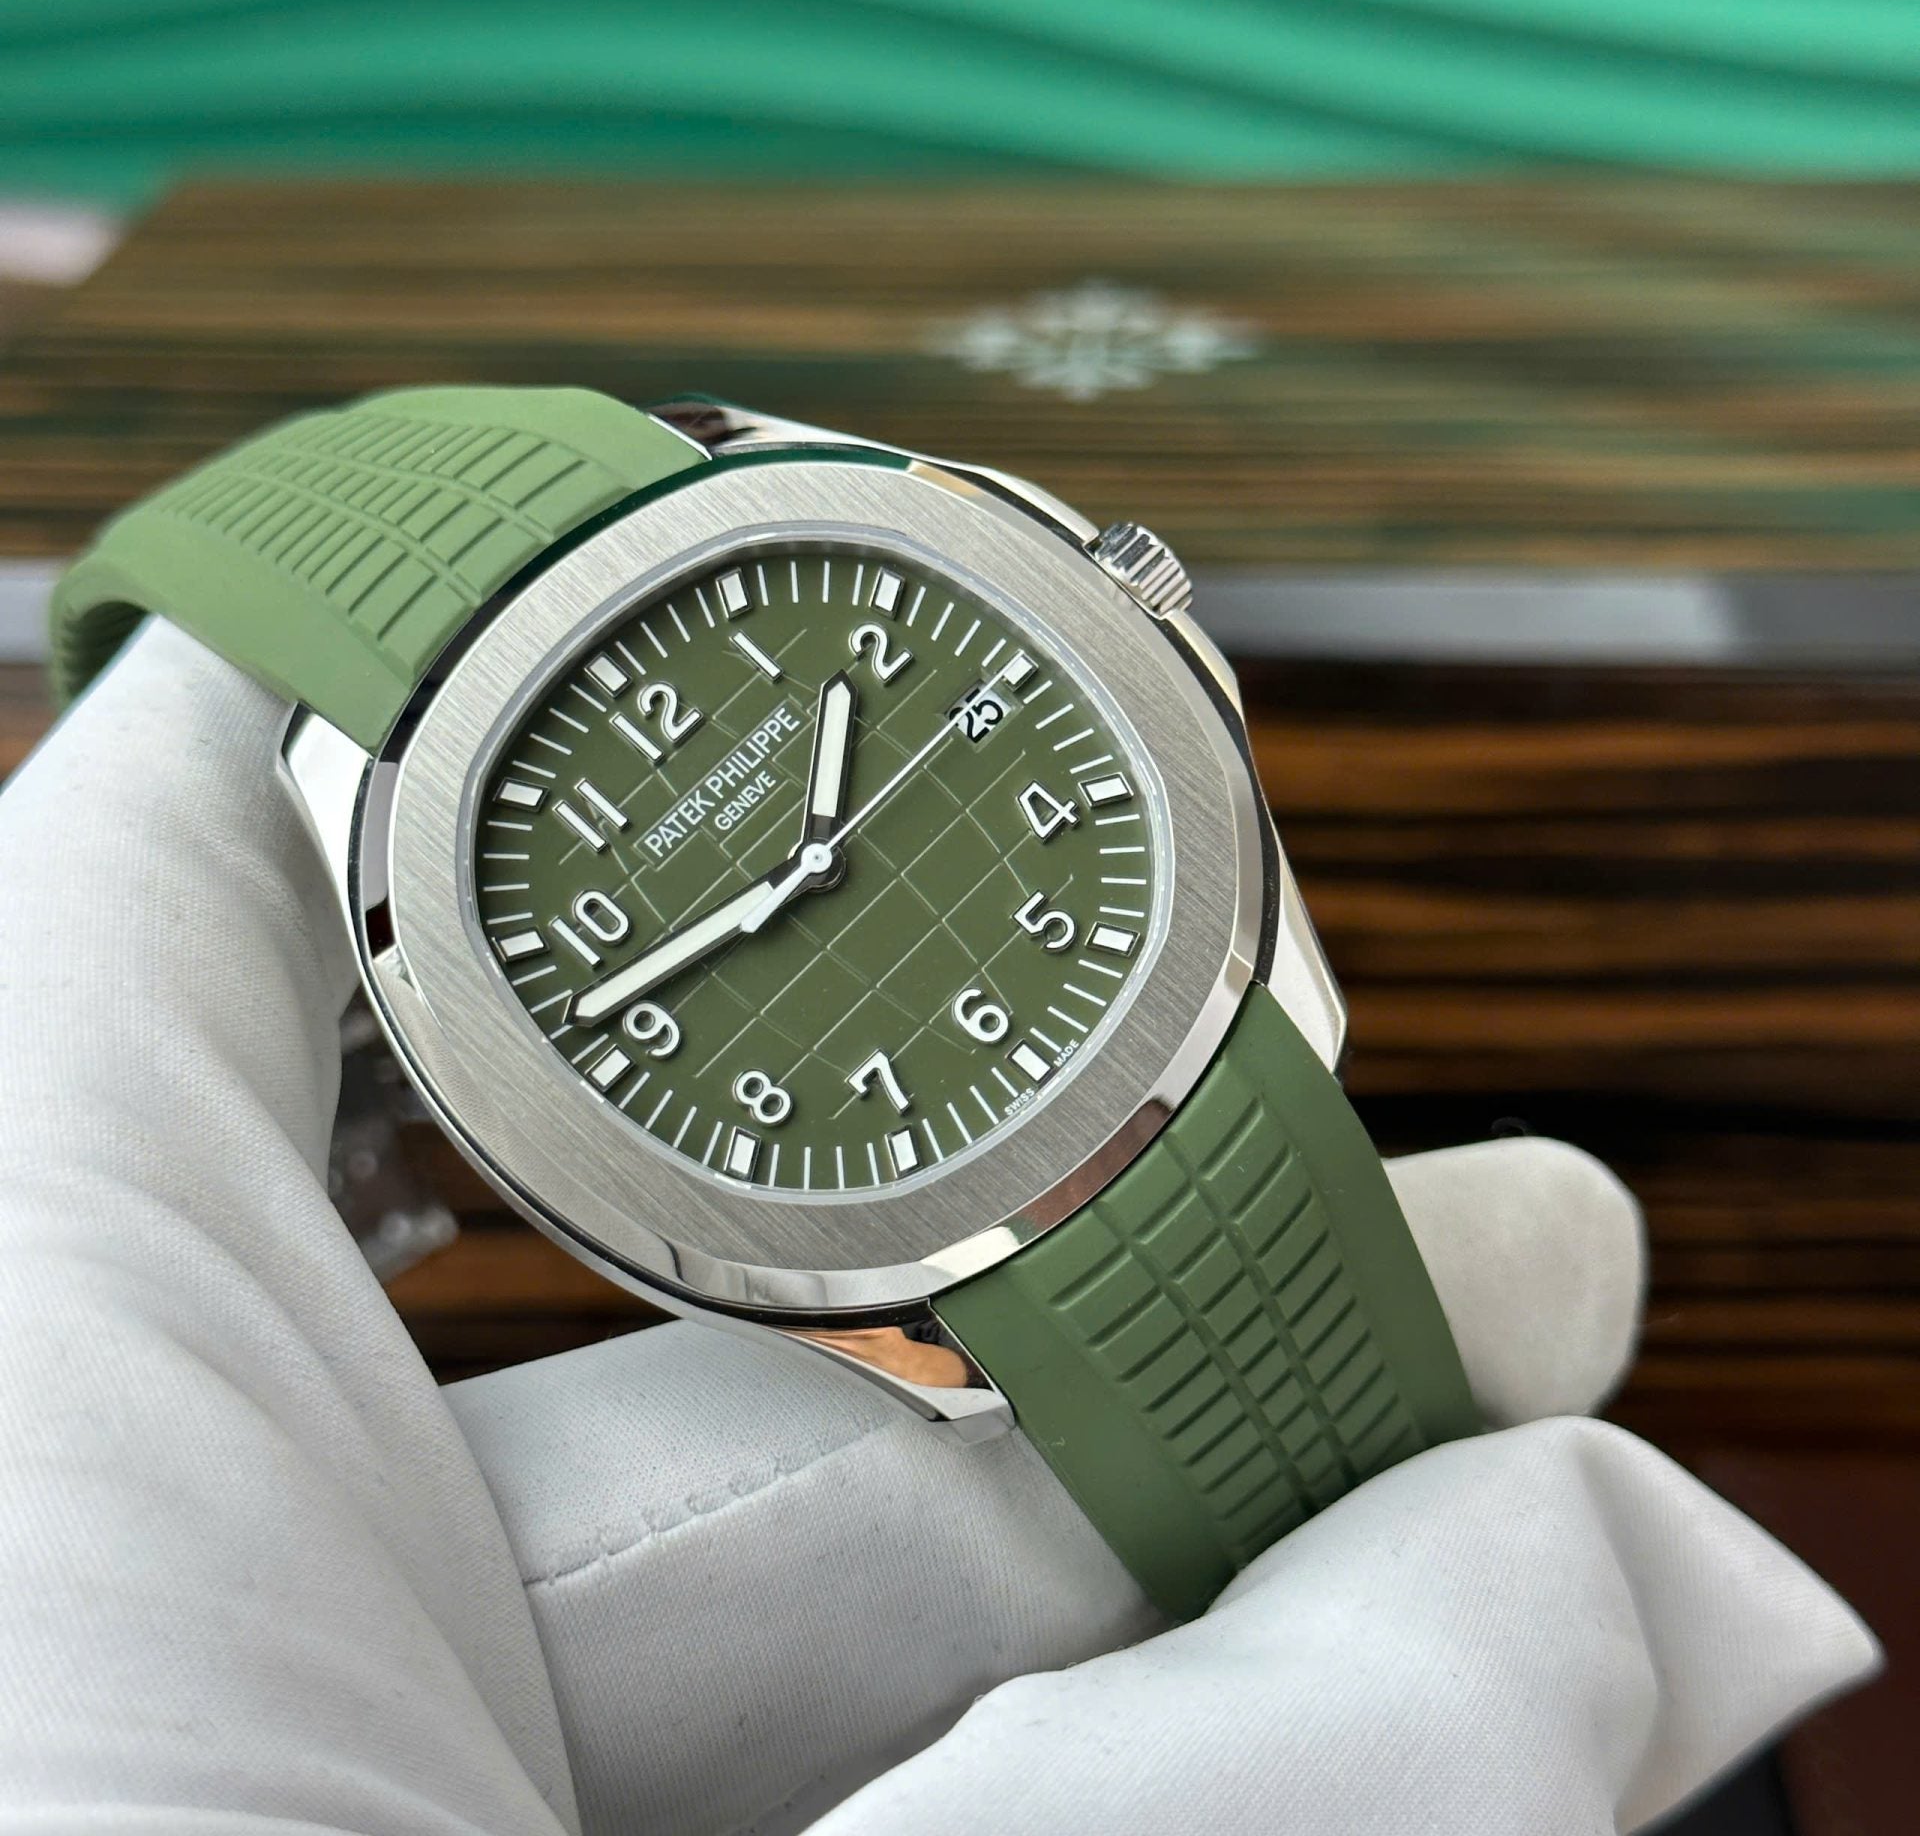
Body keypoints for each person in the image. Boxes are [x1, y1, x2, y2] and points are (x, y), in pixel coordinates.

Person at [0, 621, 1877, 1835]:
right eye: (790, 881)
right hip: (934, 1245)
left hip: (1163, 1071)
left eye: (809, 850)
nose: (808, 874)